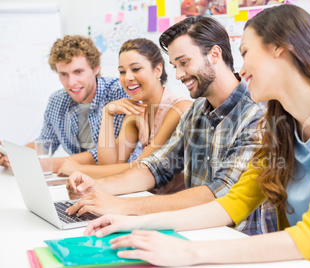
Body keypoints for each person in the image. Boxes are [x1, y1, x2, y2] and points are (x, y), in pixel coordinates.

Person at [83, 5, 310, 267]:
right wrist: (131, 222)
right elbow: (233, 204)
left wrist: (189, 253)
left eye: (247, 51)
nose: (242, 66)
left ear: (281, 49)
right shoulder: (280, 122)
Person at [66, 16, 276, 236]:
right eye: (175, 65)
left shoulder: (258, 114)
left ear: (214, 55)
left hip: (239, 242)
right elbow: (156, 166)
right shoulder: (197, 111)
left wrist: (123, 207)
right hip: (196, 232)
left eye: (184, 63)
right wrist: (96, 187)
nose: (178, 75)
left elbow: (219, 194)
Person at [57, 39, 192, 188]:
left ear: (158, 70)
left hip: (173, 203)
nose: (127, 77)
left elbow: (141, 168)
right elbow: (108, 164)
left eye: (136, 69)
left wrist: (78, 169)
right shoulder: (136, 113)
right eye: (122, 71)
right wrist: (107, 113)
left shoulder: (178, 109)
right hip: (144, 195)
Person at [0, 35, 132, 170]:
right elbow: (44, 144)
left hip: (119, 180)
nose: (71, 83)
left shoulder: (119, 93)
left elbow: (108, 156)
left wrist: (46, 165)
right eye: (63, 74)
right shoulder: (57, 100)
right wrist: (14, 154)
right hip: (80, 179)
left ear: (96, 68)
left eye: (78, 72)